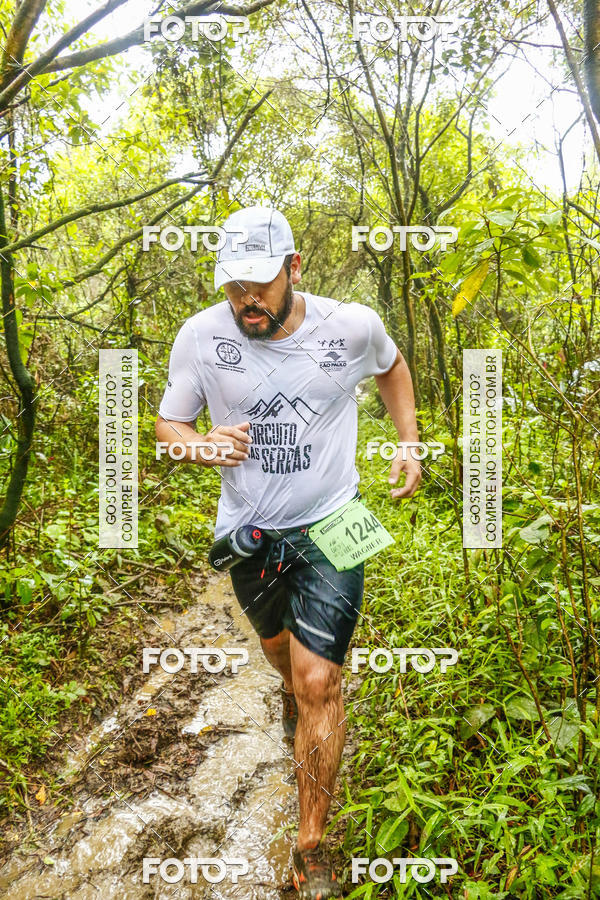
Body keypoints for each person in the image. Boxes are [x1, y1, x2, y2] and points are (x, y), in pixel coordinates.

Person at [155, 206, 421, 899]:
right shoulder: (201, 336)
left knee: (318, 683)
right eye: (233, 286)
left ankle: (310, 844)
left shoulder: (351, 325)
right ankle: (291, 696)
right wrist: (200, 445)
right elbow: (169, 423)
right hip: (251, 532)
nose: (246, 300)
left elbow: (393, 368)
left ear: (293, 269)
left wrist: (408, 441)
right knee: (281, 661)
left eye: (259, 285)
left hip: (335, 523)